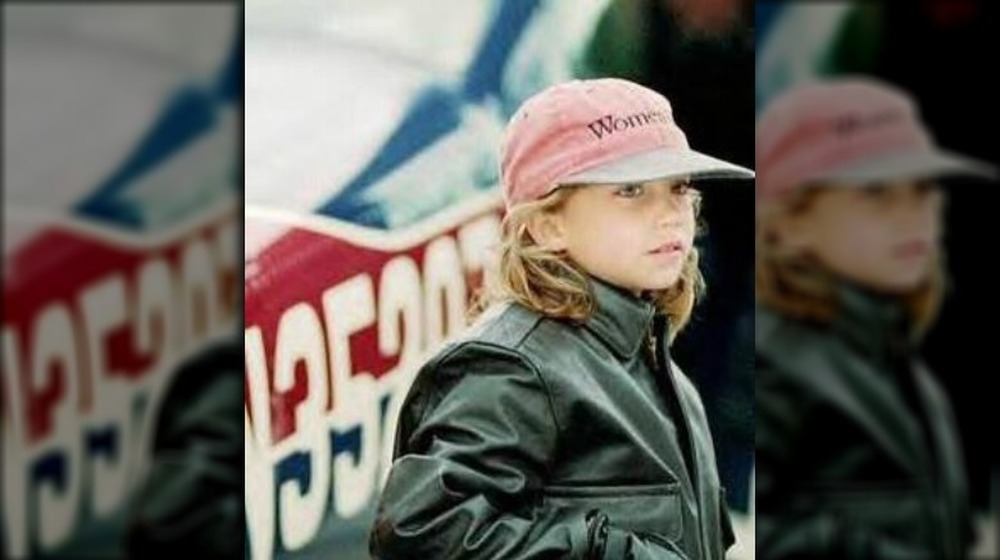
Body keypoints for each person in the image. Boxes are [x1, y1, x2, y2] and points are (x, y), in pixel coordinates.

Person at [368, 78, 754, 559]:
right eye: (631, 190)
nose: (672, 214)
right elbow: (423, 531)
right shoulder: (510, 367)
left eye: (678, 188)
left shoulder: (657, 366)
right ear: (547, 225)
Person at [755, 77, 995, 559]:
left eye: (923, 188)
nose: (913, 213)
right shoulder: (774, 362)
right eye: (876, 192)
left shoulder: (901, 361)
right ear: (789, 223)